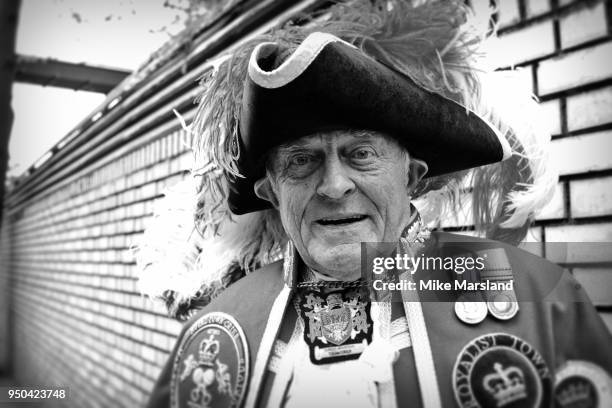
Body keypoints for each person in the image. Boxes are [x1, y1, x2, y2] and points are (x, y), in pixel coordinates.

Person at [141, 1, 612, 407]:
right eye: (302, 161)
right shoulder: (216, 337)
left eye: (360, 153)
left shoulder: (543, 300)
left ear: (413, 176)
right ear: (271, 193)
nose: (333, 185)